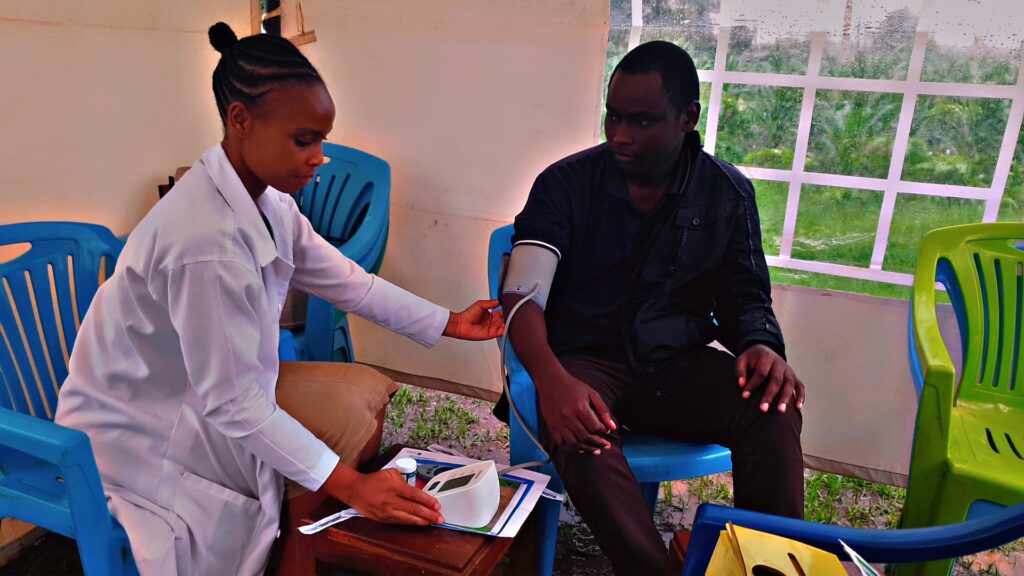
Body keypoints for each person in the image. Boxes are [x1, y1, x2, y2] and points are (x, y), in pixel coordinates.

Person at [54, 22, 503, 576]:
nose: (320, 157)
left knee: (362, 406)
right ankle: (296, 548)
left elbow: (350, 282)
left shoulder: (268, 201)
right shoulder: (205, 242)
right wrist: (354, 487)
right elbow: (234, 404)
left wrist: (450, 322)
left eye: (322, 139)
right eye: (304, 140)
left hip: (200, 391)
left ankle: (298, 543)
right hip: (144, 429)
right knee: (321, 453)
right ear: (240, 120)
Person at [500, 41, 805, 574]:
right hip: (586, 362)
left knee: (771, 405)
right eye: (613, 116)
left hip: (676, 363)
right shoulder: (563, 184)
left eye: (641, 121)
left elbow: (746, 296)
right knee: (581, 430)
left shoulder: (726, 192)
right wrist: (552, 381)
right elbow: (522, 296)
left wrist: (761, 344)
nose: (620, 135)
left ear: (688, 118)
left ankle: (772, 564)